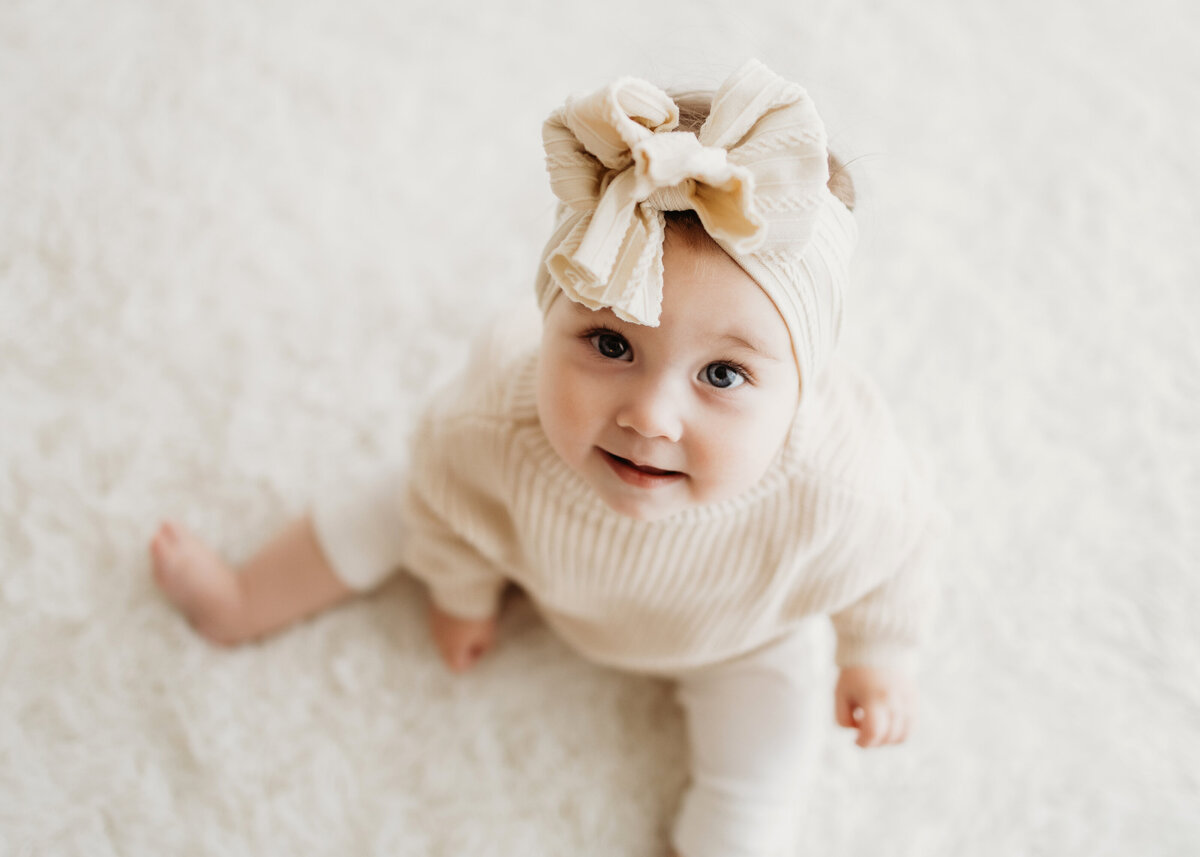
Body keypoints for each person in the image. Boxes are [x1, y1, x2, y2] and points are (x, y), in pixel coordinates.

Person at [150, 59, 938, 857]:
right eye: (609, 341)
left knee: (763, 772)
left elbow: (897, 555)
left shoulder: (843, 486)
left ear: (802, 385)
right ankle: (245, 595)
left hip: (736, 639)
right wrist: (461, 595)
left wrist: (880, 654)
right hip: (533, 553)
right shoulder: (495, 421)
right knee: (400, 498)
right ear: (550, 314)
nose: (651, 416)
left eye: (723, 374)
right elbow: (445, 515)